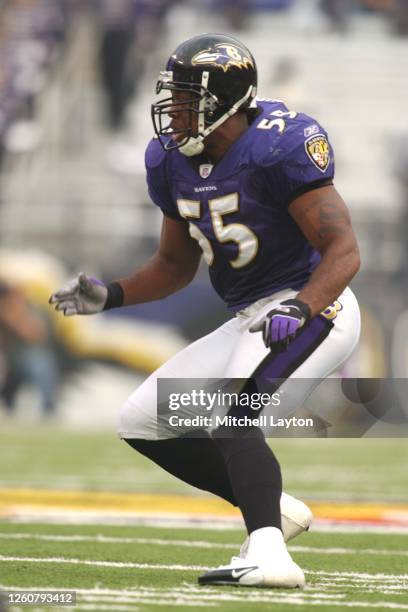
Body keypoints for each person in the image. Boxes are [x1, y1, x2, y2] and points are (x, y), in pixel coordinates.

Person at [49, 33, 361, 588]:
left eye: (189, 99)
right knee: (142, 421)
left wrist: (302, 304)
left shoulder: (279, 145)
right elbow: (173, 264)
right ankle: (274, 510)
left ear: (229, 103)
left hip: (316, 301)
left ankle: (269, 558)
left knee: (234, 414)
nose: (175, 113)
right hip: (250, 312)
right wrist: (113, 294)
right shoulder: (171, 162)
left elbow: (344, 251)